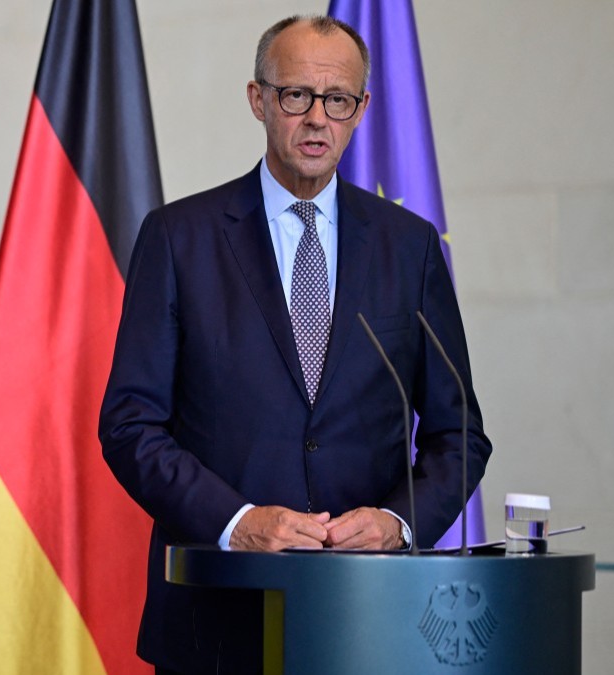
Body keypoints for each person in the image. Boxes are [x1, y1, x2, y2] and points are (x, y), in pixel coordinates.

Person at [98, 15, 492, 672]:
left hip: (370, 616)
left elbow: (459, 435)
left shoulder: (409, 245)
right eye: (296, 96)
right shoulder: (178, 237)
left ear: (361, 109)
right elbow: (130, 423)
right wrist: (234, 519)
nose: (317, 119)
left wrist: (398, 522)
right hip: (215, 618)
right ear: (258, 99)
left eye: (337, 100)